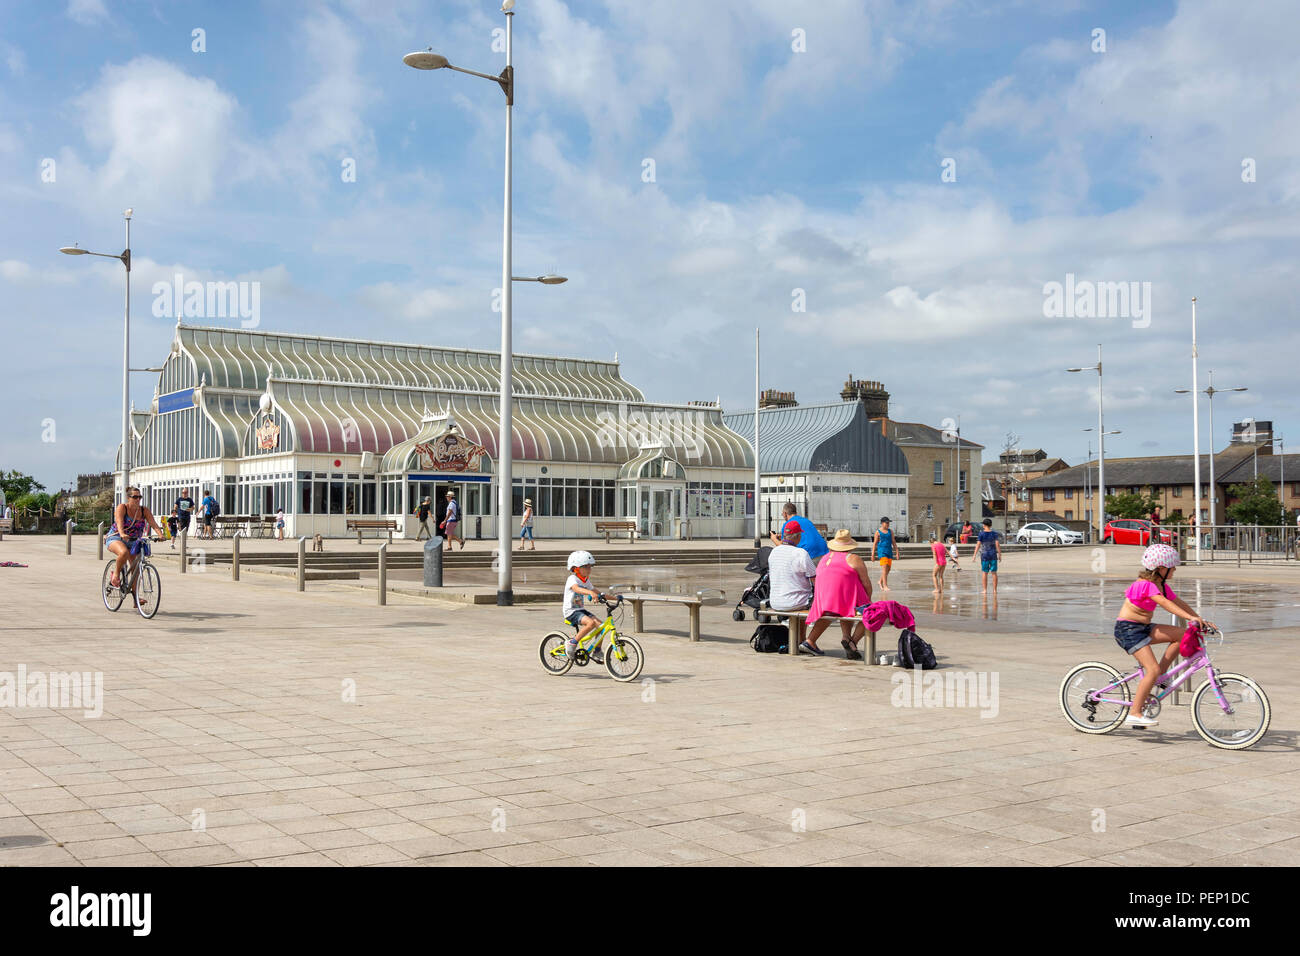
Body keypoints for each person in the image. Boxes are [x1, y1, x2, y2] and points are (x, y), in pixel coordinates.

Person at [1114, 543, 1215, 728]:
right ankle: (1135, 713)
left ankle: (1161, 674)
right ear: (1160, 568)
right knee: (1150, 670)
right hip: (1128, 630)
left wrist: (1200, 619)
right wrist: (1190, 617)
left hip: (1143, 627)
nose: (1175, 569)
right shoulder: (1145, 585)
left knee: (1182, 635)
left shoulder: (1160, 584)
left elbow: (1178, 602)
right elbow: (1165, 604)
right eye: (1172, 567)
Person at [803, 529, 872, 659]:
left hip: (822, 601)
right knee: (873, 614)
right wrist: (868, 602)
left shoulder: (824, 558)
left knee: (845, 604)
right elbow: (867, 584)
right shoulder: (853, 558)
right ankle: (852, 642)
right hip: (840, 602)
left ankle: (846, 637)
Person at [561, 550, 619, 661]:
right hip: (570, 611)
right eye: (586, 567)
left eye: (590, 566)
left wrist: (616, 598)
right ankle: (572, 643)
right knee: (591, 623)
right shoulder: (572, 579)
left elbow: (596, 592)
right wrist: (590, 593)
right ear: (577, 568)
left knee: (601, 626)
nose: (589, 569)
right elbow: (576, 588)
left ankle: (597, 651)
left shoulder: (586, 580)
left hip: (580, 610)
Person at [105, 487, 164, 591]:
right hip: (116, 537)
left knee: (135, 568)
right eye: (135, 497)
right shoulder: (122, 508)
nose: (138, 499)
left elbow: (153, 524)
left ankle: (135, 599)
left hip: (133, 541)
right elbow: (119, 522)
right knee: (123, 553)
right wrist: (122, 533)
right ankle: (116, 575)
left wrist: (160, 535)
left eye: (139, 497)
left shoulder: (144, 510)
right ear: (128, 498)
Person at [768, 523, 818, 612]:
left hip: (775, 602)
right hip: (797, 602)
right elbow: (815, 579)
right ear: (798, 536)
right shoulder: (800, 553)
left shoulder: (774, 552)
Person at [871, 517, 897, 590]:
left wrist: (897, 552)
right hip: (882, 551)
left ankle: (880, 581)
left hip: (889, 551)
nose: (888, 524)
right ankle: (885, 586)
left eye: (889, 523)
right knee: (884, 568)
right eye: (887, 523)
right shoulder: (878, 532)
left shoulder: (890, 531)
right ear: (882, 523)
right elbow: (875, 544)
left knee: (888, 569)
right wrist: (872, 555)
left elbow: (893, 542)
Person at [976, 518, 1001, 595]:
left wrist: (974, 555)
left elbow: (978, 545)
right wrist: (1000, 554)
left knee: (985, 572)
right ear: (991, 525)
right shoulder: (994, 533)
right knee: (994, 573)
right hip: (993, 555)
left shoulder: (981, 534)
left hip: (984, 555)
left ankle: (985, 590)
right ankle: (994, 590)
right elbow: (997, 544)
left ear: (984, 525)